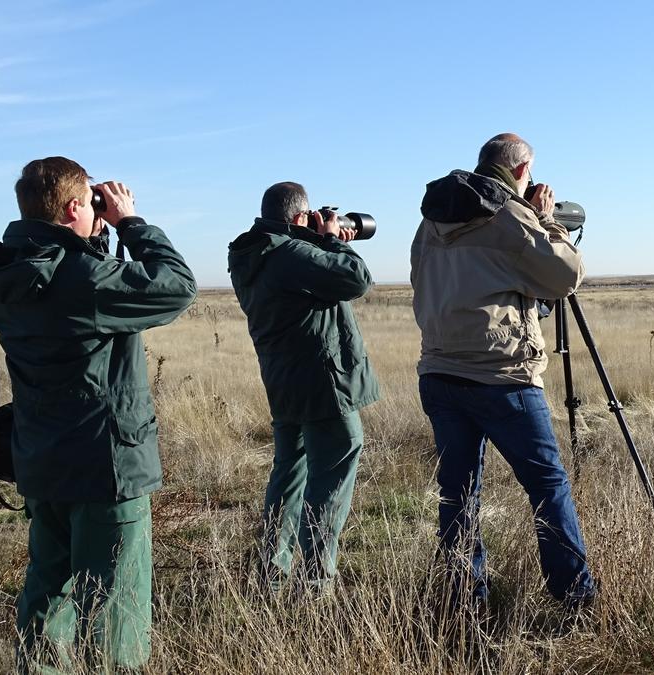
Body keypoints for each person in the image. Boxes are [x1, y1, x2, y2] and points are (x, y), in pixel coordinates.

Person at [0, 156, 197, 671]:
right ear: (75, 207)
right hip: (105, 469)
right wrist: (132, 224)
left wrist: (93, 238)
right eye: (93, 205)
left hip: (42, 462)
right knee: (114, 609)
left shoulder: (9, 272)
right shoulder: (85, 279)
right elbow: (177, 286)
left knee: (49, 595)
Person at [410, 133, 597, 608]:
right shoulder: (509, 215)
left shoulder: (431, 220)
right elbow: (566, 276)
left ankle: (463, 601)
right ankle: (574, 600)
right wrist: (548, 221)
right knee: (547, 487)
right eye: (529, 174)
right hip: (502, 377)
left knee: (458, 495)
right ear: (521, 169)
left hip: (439, 374)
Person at [228, 181, 380, 594]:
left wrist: (318, 241)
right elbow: (355, 278)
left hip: (284, 382)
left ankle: (271, 573)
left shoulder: (251, 254)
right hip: (322, 383)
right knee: (332, 472)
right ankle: (316, 581)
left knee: (290, 474)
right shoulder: (290, 254)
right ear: (298, 218)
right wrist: (333, 242)